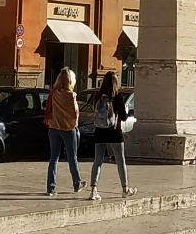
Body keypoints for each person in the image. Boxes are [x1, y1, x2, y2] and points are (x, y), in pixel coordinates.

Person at [89, 72, 137, 200]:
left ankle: (93, 190)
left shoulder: (97, 95)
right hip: (114, 132)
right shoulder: (117, 96)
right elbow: (123, 116)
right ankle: (125, 189)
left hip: (99, 132)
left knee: (97, 161)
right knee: (120, 161)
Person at [45, 68, 85, 196]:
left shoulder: (54, 93)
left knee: (54, 158)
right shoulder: (71, 95)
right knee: (72, 157)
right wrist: (74, 125)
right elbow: (75, 113)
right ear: (70, 81)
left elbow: (49, 110)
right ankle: (77, 184)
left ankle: (51, 187)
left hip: (54, 128)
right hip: (68, 129)